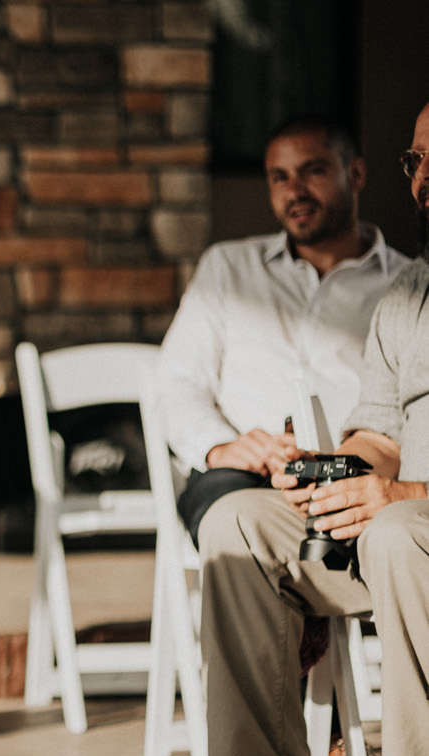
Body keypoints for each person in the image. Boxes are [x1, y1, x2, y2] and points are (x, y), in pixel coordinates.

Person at [157, 102, 429, 756]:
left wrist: (399, 494)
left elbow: (401, 495)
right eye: (417, 160)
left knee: (398, 530)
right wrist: (338, 471)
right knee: (240, 525)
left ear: (351, 176)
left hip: (411, 526)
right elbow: (379, 431)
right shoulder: (411, 291)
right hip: (390, 521)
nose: (425, 178)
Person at [156, 117, 408, 545]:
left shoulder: (407, 286)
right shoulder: (228, 269)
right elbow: (176, 383)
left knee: (365, 531)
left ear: (356, 173)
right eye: (279, 177)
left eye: (313, 171)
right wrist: (222, 447)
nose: (295, 191)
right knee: (232, 521)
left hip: (347, 473)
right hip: (240, 474)